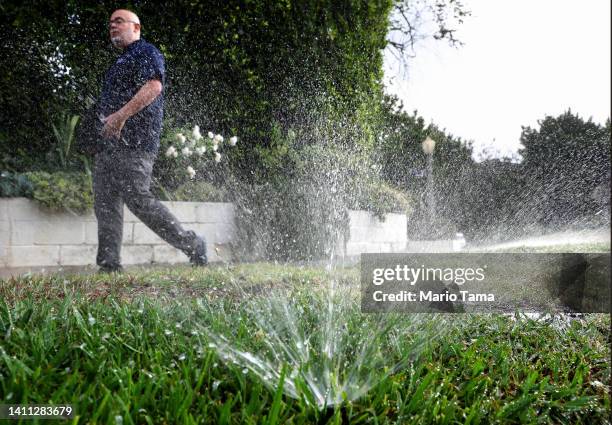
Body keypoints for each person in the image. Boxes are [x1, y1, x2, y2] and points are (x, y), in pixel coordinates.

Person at [94, 9, 207, 272]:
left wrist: (121, 117)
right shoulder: (119, 63)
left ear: (136, 27)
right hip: (108, 145)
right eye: (110, 23)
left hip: (136, 143)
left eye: (119, 21)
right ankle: (109, 266)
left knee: (139, 200)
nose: (113, 26)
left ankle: (192, 244)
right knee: (105, 204)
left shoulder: (145, 52)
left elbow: (154, 87)